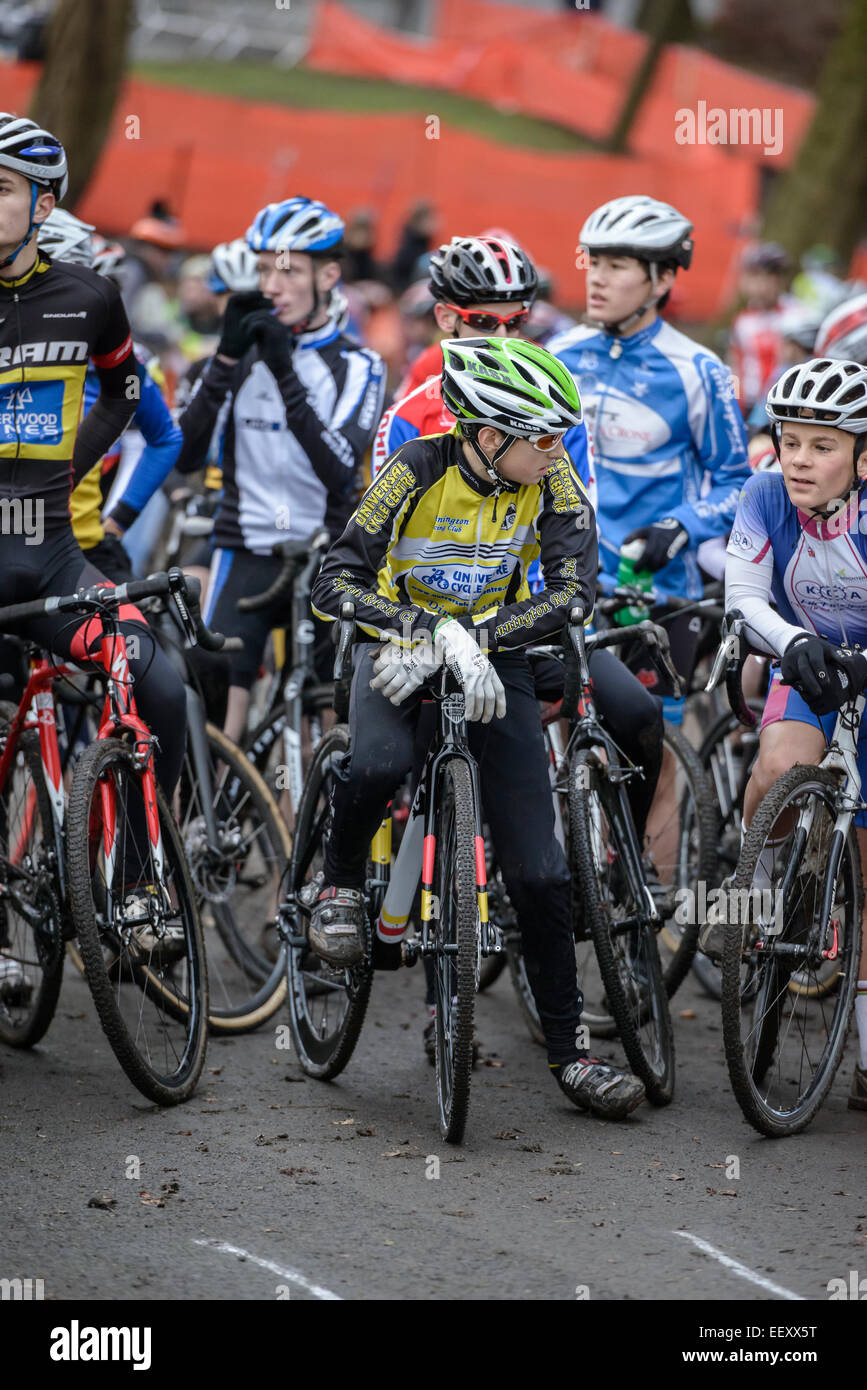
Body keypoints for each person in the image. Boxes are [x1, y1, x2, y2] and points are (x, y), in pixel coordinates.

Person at [310, 335, 646, 1120]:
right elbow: (335, 577)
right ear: (487, 435)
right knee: (376, 765)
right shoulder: (415, 468)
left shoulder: (551, 477)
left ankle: (571, 1055)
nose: (556, 450)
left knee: (540, 872)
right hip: (397, 647)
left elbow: (572, 595)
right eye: (540, 437)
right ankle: (336, 884)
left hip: (500, 659)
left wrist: (478, 639)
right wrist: (418, 629)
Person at [0, 115, 187, 993]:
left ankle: (144, 881)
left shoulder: (89, 297)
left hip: (53, 560)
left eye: (1, 188)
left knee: (154, 672)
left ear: (42, 202)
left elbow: (124, 392)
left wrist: (74, 460)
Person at [699, 357, 867, 1110]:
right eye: (788, 440)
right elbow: (742, 593)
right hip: (807, 664)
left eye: (820, 445)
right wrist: (790, 643)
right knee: (773, 771)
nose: (798, 458)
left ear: (861, 457)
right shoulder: (764, 492)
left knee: (865, 859)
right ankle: (752, 898)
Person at [176, 196, 386, 744]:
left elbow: (340, 470)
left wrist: (285, 373)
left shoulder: (359, 365)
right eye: (265, 268)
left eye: (289, 270)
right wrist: (223, 361)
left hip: (326, 555)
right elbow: (186, 456)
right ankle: (211, 824)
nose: (272, 285)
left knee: (328, 717)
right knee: (211, 699)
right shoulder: (238, 355)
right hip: (244, 547)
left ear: (329, 275)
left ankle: (300, 822)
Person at [548, 194, 750, 718]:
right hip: (566, 584)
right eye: (593, 262)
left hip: (655, 589)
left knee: (657, 754)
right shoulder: (558, 357)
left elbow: (738, 485)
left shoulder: (699, 371)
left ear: (661, 281)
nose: (597, 278)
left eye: (616, 266)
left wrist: (681, 526)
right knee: (578, 742)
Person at [35, 209, 183, 584]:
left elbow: (164, 438)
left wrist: (119, 522)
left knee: (139, 641)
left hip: (79, 548)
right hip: (16, 541)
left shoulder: (124, 360)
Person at [728, 243, 792, 415]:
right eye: (755, 276)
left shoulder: (795, 316)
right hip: (749, 404)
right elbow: (735, 366)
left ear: (780, 280)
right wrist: (733, 402)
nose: (763, 284)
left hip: (784, 405)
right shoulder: (742, 321)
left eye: (770, 276)